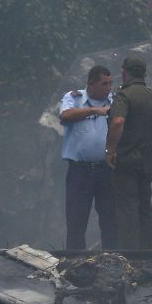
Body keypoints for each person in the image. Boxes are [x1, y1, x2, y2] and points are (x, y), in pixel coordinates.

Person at [104, 56, 152, 250]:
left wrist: (111, 150)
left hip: (127, 160)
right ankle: (147, 251)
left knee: (127, 207)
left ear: (124, 72)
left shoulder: (124, 96)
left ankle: (129, 254)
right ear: (144, 73)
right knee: (145, 206)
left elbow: (117, 122)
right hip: (146, 161)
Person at [59, 65, 116, 250]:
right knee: (76, 219)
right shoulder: (74, 98)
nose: (108, 87)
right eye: (104, 83)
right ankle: (75, 261)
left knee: (110, 219)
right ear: (91, 83)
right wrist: (94, 111)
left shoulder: (115, 101)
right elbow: (65, 116)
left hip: (106, 169)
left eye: (110, 83)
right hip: (80, 170)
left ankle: (112, 258)